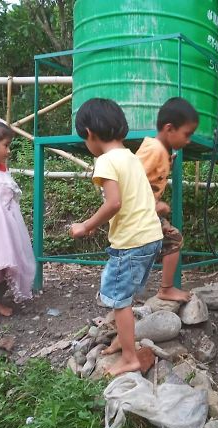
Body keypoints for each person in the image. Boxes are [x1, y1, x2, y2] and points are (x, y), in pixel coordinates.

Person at [70, 98, 163, 377]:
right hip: (150, 236)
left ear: (89, 133)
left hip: (131, 242)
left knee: (118, 298)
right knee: (122, 296)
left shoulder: (106, 161)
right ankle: (123, 342)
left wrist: (86, 226)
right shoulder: (130, 157)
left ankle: (130, 357)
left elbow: (114, 203)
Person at [137, 97, 198, 302]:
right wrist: (153, 205)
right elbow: (132, 178)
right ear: (169, 129)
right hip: (139, 211)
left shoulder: (160, 150)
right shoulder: (154, 149)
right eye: (187, 134)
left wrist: (166, 164)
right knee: (172, 241)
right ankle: (164, 289)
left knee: (172, 241)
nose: (188, 141)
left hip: (144, 212)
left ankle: (165, 289)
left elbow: (151, 174)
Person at [0, 120, 35, 324]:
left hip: (8, 229)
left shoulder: (2, 169)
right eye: (5, 145)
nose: (8, 151)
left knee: (9, 263)